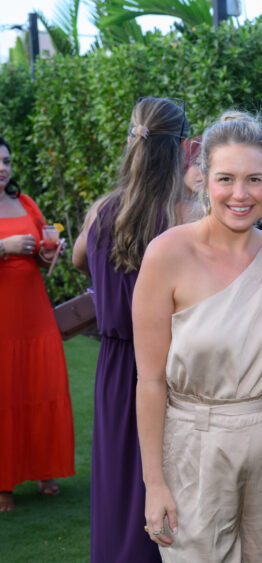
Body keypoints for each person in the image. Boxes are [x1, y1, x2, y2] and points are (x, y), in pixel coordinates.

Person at [133, 110, 262, 562]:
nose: (240, 194)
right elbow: (150, 381)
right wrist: (155, 484)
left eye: (254, 179)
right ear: (204, 180)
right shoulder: (167, 253)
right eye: (226, 178)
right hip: (195, 446)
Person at [72, 97, 192, 562]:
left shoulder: (106, 212)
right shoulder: (185, 218)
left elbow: (82, 259)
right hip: (166, 367)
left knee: (119, 482)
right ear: (184, 149)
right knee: (166, 479)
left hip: (116, 366)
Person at [0, 136, 74, 512]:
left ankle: (47, 470)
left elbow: (43, 259)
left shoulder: (25, 202)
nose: (2, 168)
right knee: (4, 392)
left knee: (43, 383)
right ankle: (3, 484)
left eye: (6, 161)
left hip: (34, 309)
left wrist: (49, 253)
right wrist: (3, 248)